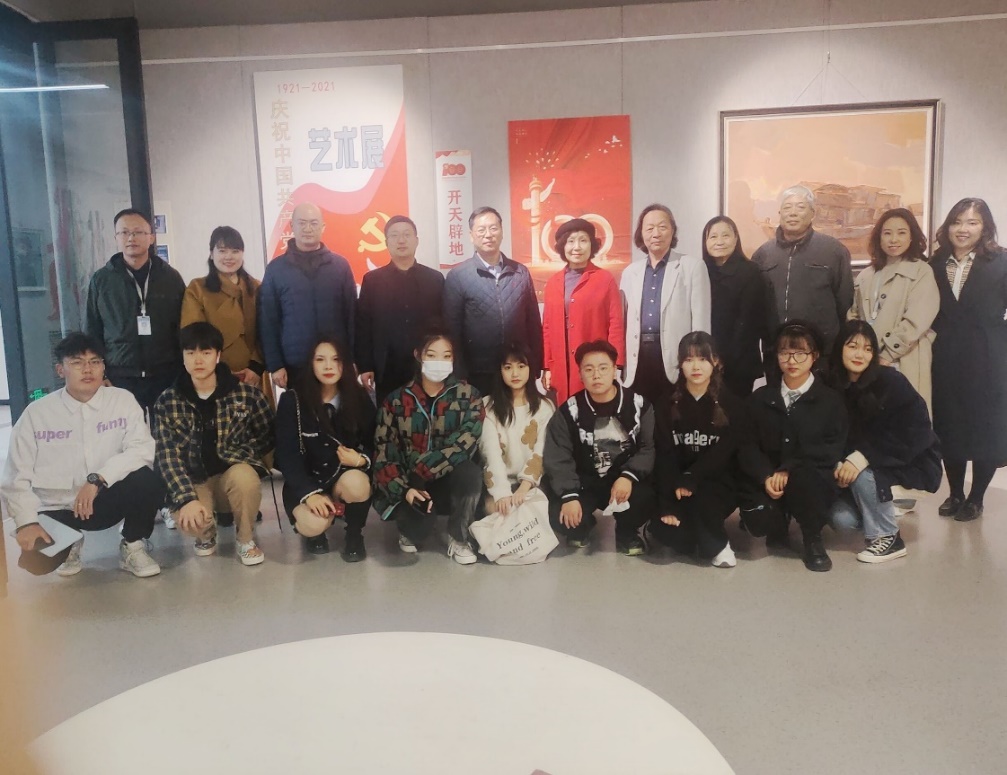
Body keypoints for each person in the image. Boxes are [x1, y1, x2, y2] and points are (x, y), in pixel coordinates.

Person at [0, 333, 163, 578]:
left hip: (105, 500)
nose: (88, 369)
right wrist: (26, 522)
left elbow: (142, 449)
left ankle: (132, 543)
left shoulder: (122, 400)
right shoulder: (37, 414)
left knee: (148, 480)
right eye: (77, 362)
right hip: (57, 507)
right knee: (36, 562)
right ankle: (70, 540)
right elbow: (15, 477)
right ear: (60, 370)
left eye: (95, 362)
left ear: (103, 367)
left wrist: (98, 479)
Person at [153, 323, 274, 566]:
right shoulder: (168, 400)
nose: (198, 360)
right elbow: (167, 456)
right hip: (195, 480)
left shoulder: (246, 395)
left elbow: (268, 434)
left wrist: (247, 457)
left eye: (206, 352)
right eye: (190, 353)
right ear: (183, 357)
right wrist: (186, 498)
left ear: (218, 355)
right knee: (191, 520)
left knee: (246, 478)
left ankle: (245, 540)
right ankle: (206, 535)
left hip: (231, 476)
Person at [828, 321, 941, 563]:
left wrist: (862, 457)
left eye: (868, 349)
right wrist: (837, 461)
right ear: (839, 348)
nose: (860, 354)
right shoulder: (831, 384)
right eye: (852, 346)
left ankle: (888, 537)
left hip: (906, 459)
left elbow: (915, 430)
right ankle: (878, 508)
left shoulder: (891, 381)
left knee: (862, 473)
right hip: (860, 463)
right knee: (842, 520)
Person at [738, 321, 847, 572]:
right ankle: (779, 522)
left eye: (800, 353)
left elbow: (831, 447)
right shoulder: (760, 398)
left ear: (814, 356)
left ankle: (812, 538)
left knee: (807, 481)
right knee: (759, 520)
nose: (792, 361)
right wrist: (766, 475)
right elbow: (747, 445)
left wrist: (789, 468)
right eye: (785, 353)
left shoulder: (830, 401)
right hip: (770, 477)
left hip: (810, 477)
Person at [373, 330, 485, 564]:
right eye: (432, 355)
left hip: (445, 479)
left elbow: (463, 445)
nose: (439, 362)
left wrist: (421, 473)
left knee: (471, 474)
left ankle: (459, 536)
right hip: (410, 485)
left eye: (446, 356)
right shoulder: (396, 401)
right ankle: (409, 529)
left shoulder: (469, 396)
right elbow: (384, 453)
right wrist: (405, 489)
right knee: (417, 530)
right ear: (418, 355)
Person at [929, 198, 1007, 522]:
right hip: (945, 354)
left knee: (985, 427)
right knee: (950, 425)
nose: (963, 229)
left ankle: (976, 498)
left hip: (989, 355)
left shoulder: (1001, 261)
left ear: (985, 227)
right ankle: (956, 493)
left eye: (972, 222)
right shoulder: (935, 262)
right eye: (957, 222)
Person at [543, 339, 656, 556]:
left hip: (622, 481)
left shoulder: (640, 405)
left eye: (603, 368)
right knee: (559, 512)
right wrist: (569, 495)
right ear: (580, 374)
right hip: (585, 482)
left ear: (615, 370)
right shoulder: (568, 411)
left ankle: (626, 532)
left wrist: (628, 476)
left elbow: (647, 448)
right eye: (589, 369)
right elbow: (558, 456)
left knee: (646, 497)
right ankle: (583, 526)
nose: (596, 375)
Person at [650, 332, 746, 568]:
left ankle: (719, 545)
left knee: (704, 502)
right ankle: (698, 535)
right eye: (688, 359)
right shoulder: (665, 403)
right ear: (680, 364)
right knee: (666, 533)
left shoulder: (732, 403)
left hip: (716, 481)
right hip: (677, 482)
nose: (695, 367)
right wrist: (668, 502)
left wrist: (693, 476)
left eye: (703, 359)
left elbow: (724, 453)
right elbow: (664, 454)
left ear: (716, 362)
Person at [275, 336, 375, 561]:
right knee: (313, 524)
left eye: (336, 359)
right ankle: (315, 534)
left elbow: (375, 442)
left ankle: (354, 534)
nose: (328, 366)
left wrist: (361, 460)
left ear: (345, 364)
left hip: (341, 475)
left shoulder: (359, 397)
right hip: (306, 480)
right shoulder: (292, 400)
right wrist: (310, 494)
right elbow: (287, 455)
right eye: (320, 359)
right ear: (311, 364)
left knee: (358, 484)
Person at [85, 208, 185, 415]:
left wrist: (182, 373)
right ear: (116, 238)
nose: (131, 238)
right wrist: (99, 374)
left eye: (138, 232)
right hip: (118, 377)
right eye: (124, 232)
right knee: (122, 432)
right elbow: (92, 330)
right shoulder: (102, 280)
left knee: (165, 433)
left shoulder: (171, 277)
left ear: (151, 237)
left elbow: (182, 328)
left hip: (166, 375)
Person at [444, 206, 543, 396]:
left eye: (493, 228)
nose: (488, 235)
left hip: (517, 369)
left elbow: (533, 324)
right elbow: (452, 330)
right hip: (478, 373)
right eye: (481, 230)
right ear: (471, 236)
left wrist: (536, 364)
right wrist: (459, 372)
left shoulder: (520, 272)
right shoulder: (458, 276)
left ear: (502, 231)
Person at [850, 208, 939, 412]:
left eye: (901, 233)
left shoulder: (922, 271)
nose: (894, 239)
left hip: (905, 358)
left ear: (912, 237)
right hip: (867, 360)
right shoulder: (866, 275)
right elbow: (854, 315)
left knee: (905, 417)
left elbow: (917, 320)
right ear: (879, 237)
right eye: (887, 233)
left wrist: (887, 354)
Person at [258, 202, 355, 389]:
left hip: (335, 363)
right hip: (295, 365)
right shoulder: (275, 270)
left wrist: (353, 359)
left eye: (313, 223)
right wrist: (275, 365)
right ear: (291, 226)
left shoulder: (340, 266)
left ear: (323, 227)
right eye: (302, 223)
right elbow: (268, 321)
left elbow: (352, 316)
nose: (307, 229)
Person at [620, 204, 711, 404]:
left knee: (673, 416)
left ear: (672, 230)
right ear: (641, 233)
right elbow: (623, 321)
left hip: (675, 360)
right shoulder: (630, 272)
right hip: (638, 359)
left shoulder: (692, 266)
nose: (656, 233)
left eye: (662, 227)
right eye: (649, 228)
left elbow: (701, 322)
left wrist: (698, 361)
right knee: (640, 415)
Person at [752, 186, 854, 358]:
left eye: (800, 207)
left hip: (821, 351)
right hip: (777, 351)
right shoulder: (763, 255)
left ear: (812, 213)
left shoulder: (833, 251)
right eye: (787, 207)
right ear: (780, 213)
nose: (793, 213)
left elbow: (844, 301)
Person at [355, 215, 445, 403]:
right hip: (387, 367)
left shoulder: (435, 280)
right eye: (394, 235)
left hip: (426, 365)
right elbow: (363, 326)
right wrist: (365, 366)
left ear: (416, 241)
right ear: (386, 243)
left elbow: (444, 325)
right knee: (389, 415)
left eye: (406, 235)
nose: (401, 240)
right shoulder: (372, 281)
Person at [541, 218, 625, 403]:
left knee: (593, 409)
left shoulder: (605, 279)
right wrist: (546, 366)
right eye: (571, 241)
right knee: (564, 413)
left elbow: (616, 324)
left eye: (583, 240)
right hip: (561, 366)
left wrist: (615, 364)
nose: (576, 247)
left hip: (595, 365)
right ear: (563, 246)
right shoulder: (553, 282)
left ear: (592, 245)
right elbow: (547, 327)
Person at [180, 226, 265, 387]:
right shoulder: (197, 289)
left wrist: (256, 367)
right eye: (222, 251)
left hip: (254, 376)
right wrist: (218, 370)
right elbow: (194, 335)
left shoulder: (256, 288)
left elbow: (267, 331)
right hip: (213, 376)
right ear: (211, 254)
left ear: (242, 253)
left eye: (235, 251)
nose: (229, 257)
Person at [480, 344, 555, 515]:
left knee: (530, 513)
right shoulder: (488, 406)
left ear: (530, 368)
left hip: (533, 482)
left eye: (521, 366)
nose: (515, 374)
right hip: (499, 482)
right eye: (508, 367)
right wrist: (501, 494)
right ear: (500, 371)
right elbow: (490, 454)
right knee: (498, 513)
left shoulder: (545, 407)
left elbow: (541, 451)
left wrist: (524, 487)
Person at [702, 216, 766, 396]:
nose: (719, 242)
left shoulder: (750, 271)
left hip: (739, 361)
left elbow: (748, 321)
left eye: (725, 235)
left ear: (736, 238)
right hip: (705, 360)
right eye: (713, 237)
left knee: (735, 409)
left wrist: (723, 359)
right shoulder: (701, 272)